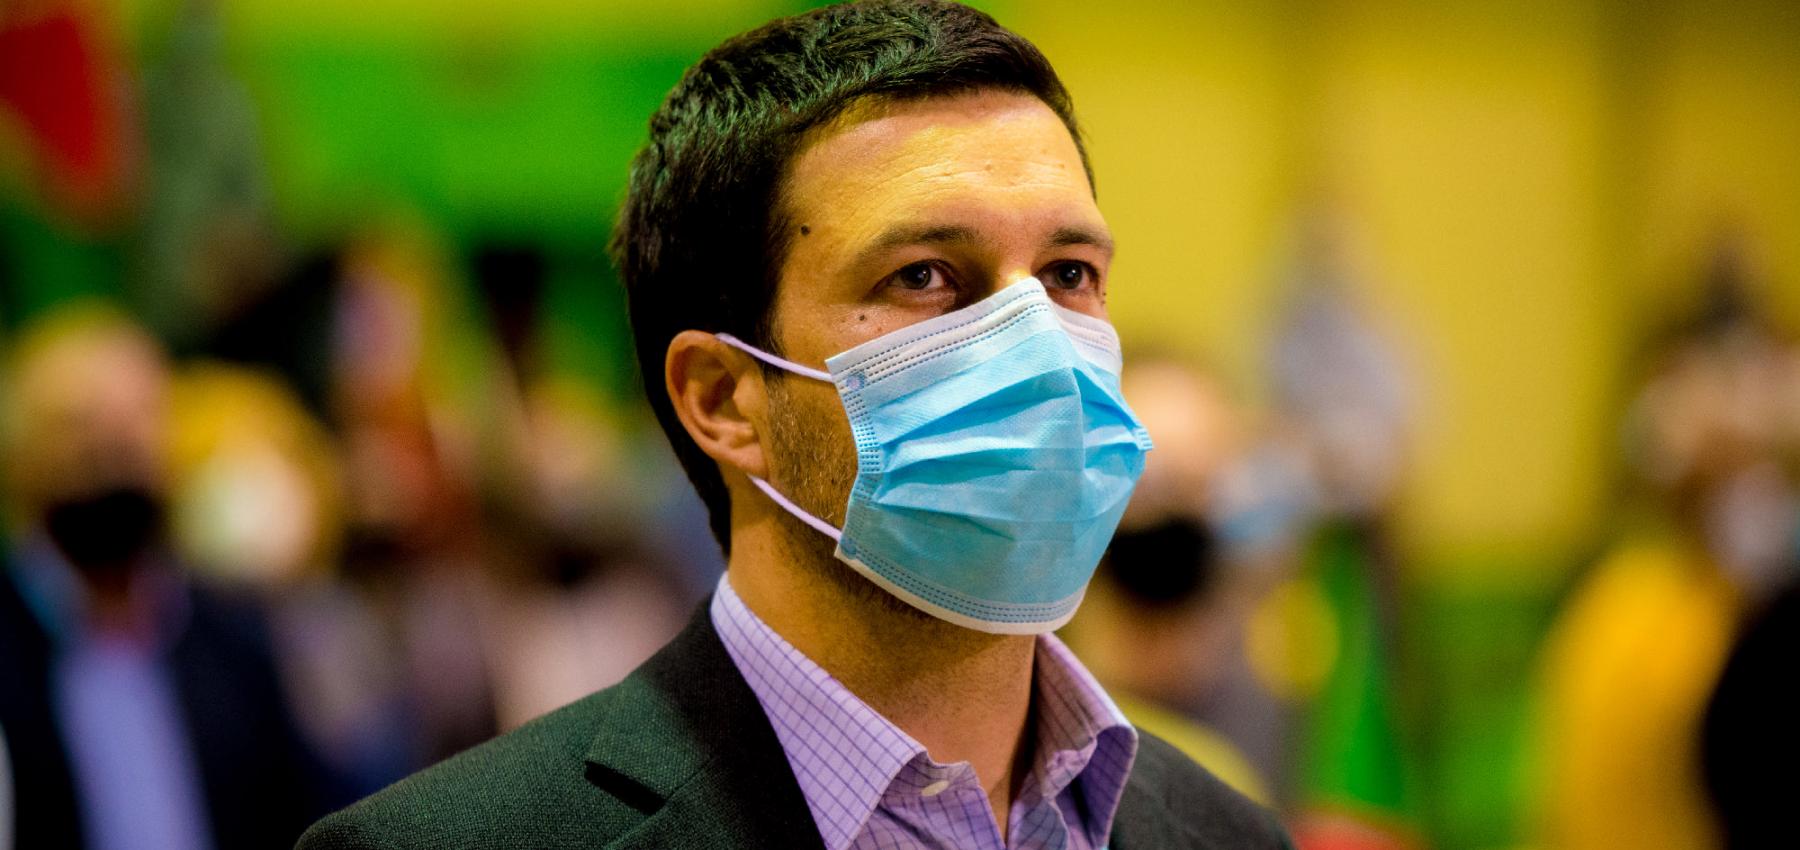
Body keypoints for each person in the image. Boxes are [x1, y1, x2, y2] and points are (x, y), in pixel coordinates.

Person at [299, 2, 1291, 848]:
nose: (1035, 344)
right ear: (723, 398)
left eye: (1069, 273)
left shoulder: (1228, 834)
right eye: (924, 276)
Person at [0, 303, 333, 849]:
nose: (110, 456)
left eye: (132, 427)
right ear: (22, 455)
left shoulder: (236, 643)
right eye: (78, 429)